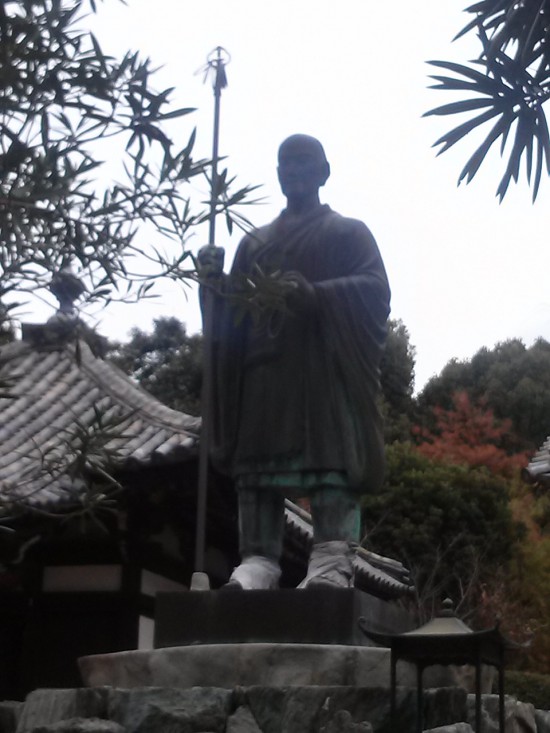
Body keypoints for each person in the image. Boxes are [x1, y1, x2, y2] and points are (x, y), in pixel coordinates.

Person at [198, 134, 390, 590]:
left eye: (305, 163)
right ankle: (257, 560)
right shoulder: (254, 244)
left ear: (324, 172)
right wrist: (212, 285)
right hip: (264, 370)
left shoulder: (347, 232)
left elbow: (375, 290)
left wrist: (317, 294)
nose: (295, 171)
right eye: (286, 164)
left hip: (323, 371)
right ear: (278, 174)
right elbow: (231, 320)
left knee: (329, 463)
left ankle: (331, 557)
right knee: (256, 468)